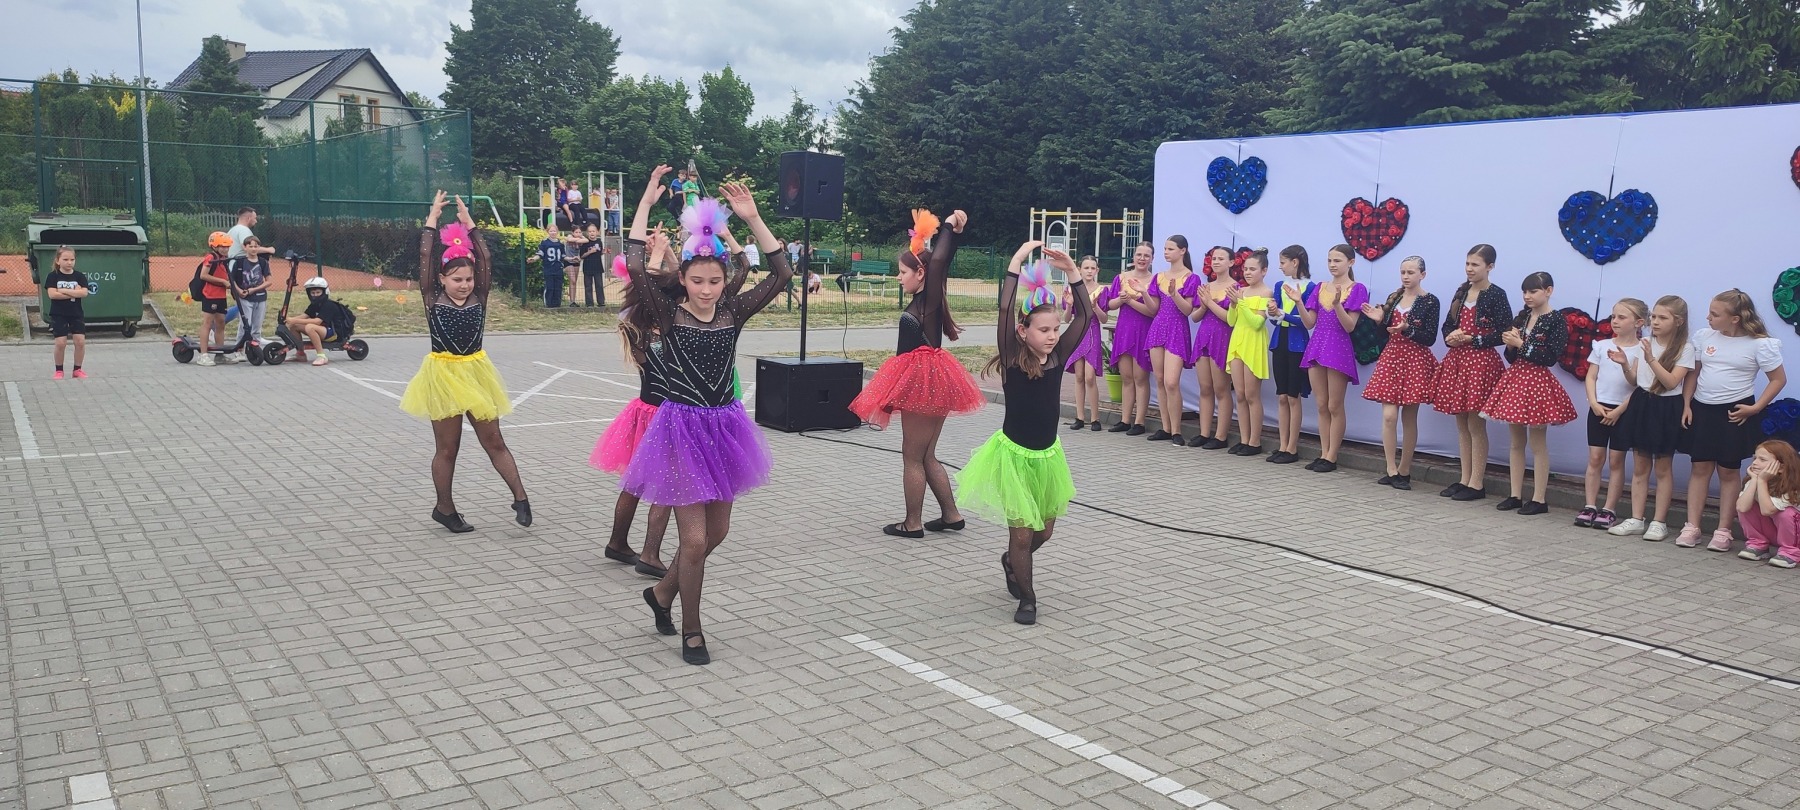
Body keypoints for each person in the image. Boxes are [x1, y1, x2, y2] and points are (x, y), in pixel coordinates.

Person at [632, 170, 791, 666]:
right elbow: (636, 264)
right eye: (697, 281)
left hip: (724, 429)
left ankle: (662, 593)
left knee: (717, 533)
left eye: (714, 281)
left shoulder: (732, 312)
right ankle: (692, 631)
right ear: (682, 279)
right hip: (681, 430)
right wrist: (644, 203)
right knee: (695, 539)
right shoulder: (669, 314)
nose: (706, 290)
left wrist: (753, 219)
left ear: (726, 281)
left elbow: (782, 273)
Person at [956, 242, 1092, 625]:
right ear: (1023, 330)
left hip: (1047, 457)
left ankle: (1012, 561)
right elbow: (1004, 309)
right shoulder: (1013, 359)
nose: (1052, 336)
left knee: (1043, 533)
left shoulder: (1059, 357)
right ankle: (1028, 599)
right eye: (1043, 330)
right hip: (1014, 457)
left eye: (1055, 329)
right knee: (1020, 534)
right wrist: (1015, 262)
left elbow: (1085, 315)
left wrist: (1072, 271)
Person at [849, 208, 985, 538]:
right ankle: (951, 515)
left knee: (912, 456)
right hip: (932, 382)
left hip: (924, 384)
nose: (899, 278)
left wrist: (949, 227)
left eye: (903, 272)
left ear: (921, 274)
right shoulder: (925, 303)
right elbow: (940, 263)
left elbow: (938, 262)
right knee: (926, 455)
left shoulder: (928, 302)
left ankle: (912, 523)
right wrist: (954, 235)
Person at [400, 191, 531, 533]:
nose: (464, 285)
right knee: (448, 448)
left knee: (494, 441)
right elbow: (426, 256)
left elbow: (484, 257)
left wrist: (470, 224)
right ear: (441, 279)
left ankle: (521, 498)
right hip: (442, 374)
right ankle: (444, 508)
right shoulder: (432, 298)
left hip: (475, 372)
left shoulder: (479, 297)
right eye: (457, 279)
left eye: (469, 279)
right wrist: (432, 220)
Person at [593, 225, 678, 577]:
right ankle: (650, 554)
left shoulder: (633, 324)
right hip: (668, 415)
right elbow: (651, 284)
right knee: (668, 484)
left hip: (645, 411)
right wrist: (656, 255)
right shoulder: (663, 327)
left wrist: (665, 251)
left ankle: (617, 543)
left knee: (635, 482)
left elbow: (672, 278)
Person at [1676, 290, 1787, 551]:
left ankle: (1723, 530)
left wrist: (1756, 408)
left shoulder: (1759, 344)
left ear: (1735, 319)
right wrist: (1687, 404)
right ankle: (1692, 527)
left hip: (1735, 412)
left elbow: (1778, 379)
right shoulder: (1705, 337)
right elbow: (1694, 374)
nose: (1708, 317)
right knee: (1700, 467)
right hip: (1702, 409)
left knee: (1728, 471)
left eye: (1715, 314)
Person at [1482, 272, 1575, 516]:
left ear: (1549, 291)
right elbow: (1511, 357)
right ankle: (1515, 494)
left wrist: (1521, 344)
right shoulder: (1522, 317)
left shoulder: (1556, 320)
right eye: (1525, 291)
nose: (1527, 296)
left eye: (1533, 291)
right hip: (1516, 379)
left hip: (1537, 382)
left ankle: (1539, 498)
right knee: (1516, 442)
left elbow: (1550, 357)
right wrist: (1511, 345)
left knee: (1537, 443)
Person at [1431, 245, 1511, 500]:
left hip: (1480, 363)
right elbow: (1447, 324)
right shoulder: (1462, 291)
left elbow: (1504, 332)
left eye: (1475, 264)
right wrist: (1451, 337)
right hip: (1459, 360)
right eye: (1467, 263)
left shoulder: (1496, 294)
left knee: (1475, 424)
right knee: (1462, 423)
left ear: (1490, 266)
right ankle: (1464, 478)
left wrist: (1473, 339)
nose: (1469, 269)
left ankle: (1477, 483)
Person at [1610, 296, 1693, 541]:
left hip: (1666, 407)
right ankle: (1636, 518)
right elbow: (1635, 380)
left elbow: (1670, 382)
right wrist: (1625, 365)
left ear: (1678, 321)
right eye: (1654, 316)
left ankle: (1659, 522)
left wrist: (1651, 359)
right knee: (1640, 466)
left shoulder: (1685, 348)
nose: (1655, 322)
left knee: (1663, 468)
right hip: (1642, 403)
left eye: (1662, 318)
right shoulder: (1646, 343)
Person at [1359, 255, 1439, 488]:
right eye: (1403, 272)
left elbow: (1430, 337)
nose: (1405, 276)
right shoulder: (1394, 298)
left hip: (1415, 358)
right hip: (1393, 357)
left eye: (1411, 272)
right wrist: (1379, 321)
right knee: (1389, 415)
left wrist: (1407, 329)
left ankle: (1404, 469)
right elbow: (1383, 334)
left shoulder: (1430, 301)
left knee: (1409, 416)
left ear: (1422, 275)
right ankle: (1390, 468)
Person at [1578, 299, 1647, 529]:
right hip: (1599, 408)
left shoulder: (1642, 349)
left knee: (1617, 460)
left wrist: (1619, 410)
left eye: (1621, 317)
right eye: (1613, 316)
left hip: (1624, 411)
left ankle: (1609, 509)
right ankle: (1589, 505)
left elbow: (1638, 385)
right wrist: (1594, 403)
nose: (1615, 321)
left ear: (1638, 322)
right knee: (1595, 458)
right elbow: (1591, 376)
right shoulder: (1601, 345)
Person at [1299, 244, 1369, 472]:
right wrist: (1299, 302)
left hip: (1338, 346)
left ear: (1351, 262)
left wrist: (1338, 304)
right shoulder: (1320, 287)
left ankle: (1332, 456)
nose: (1332, 265)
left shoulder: (1357, 289)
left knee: (1334, 404)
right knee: (1321, 404)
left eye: (1337, 260)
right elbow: (1309, 323)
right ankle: (1323, 452)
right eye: (1330, 260)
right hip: (1317, 345)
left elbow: (1349, 326)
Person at [1143, 236, 1201, 444]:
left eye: (1170, 249)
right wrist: (1143, 293)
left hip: (1177, 328)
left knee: (1171, 381)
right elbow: (1154, 309)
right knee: (1159, 379)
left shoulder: (1192, 278)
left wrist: (1175, 294)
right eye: (1165, 249)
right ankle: (1165, 427)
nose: (1166, 252)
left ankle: (1176, 430)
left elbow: (1187, 310)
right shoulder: (1159, 276)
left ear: (1182, 251)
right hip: (1158, 327)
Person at [1098, 242, 1154, 435]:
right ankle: (1125, 419)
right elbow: (1110, 305)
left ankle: (1140, 422)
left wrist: (1130, 300)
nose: (1142, 259)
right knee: (1127, 377)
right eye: (1139, 254)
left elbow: (1152, 311)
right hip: (1124, 330)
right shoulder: (1121, 278)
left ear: (1152, 259)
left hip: (1143, 330)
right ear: (1133, 256)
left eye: (1146, 256)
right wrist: (1121, 300)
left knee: (1140, 377)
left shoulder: (1154, 280)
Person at [1265, 246, 1314, 464]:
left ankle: (1292, 448)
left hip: (1298, 343)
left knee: (1293, 396)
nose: (1280, 266)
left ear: (1295, 262)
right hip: (1280, 340)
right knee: (1282, 395)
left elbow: (1306, 321)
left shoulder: (1311, 287)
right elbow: (1275, 318)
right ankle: (1282, 445)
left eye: (1283, 262)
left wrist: (1283, 314)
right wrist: (1272, 313)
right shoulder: (1279, 285)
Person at [1225, 248, 1274, 455]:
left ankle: (1255, 441)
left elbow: (1257, 323)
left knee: (1252, 395)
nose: (1247, 273)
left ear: (1264, 271)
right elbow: (1231, 321)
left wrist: (1241, 303)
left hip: (1253, 343)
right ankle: (1244, 439)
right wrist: (1233, 304)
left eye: (1252, 269)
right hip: (1238, 342)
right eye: (1245, 269)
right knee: (1240, 394)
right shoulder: (1241, 291)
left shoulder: (1266, 292)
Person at [1190, 247, 1236, 449]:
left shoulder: (1236, 288)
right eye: (1214, 258)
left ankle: (1221, 435)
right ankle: (1204, 432)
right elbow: (1195, 317)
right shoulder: (1206, 286)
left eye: (1221, 259)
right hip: (1204, 338)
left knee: (1221, 389)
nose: (1216, 262)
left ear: (1231, 262)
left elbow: (1230, 319)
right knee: (1205, 387)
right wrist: (1203, 305)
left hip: (1222, 339)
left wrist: (1209, 302)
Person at [1737, 440, 1800, 568]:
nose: (1755, 463)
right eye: (1755, 458)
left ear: (1781, 467)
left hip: (1795, 537)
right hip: (1777, 534)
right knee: (1748, 504)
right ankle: (1758, 544)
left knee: (1787, 513)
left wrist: (1762, 481)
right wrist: (1754, 480)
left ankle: (1790, 552)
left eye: (1762, 459)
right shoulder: (1755, 479)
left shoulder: (1792, 485)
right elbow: (1742, 508)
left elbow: (1767, 510)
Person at [1064, 255, 1107, 431]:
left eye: (1092, 268)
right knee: (1079, 376)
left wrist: (1096, 307)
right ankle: (1079, 417)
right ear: (1079, 269)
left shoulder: (1101, 290)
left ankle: (1095, 418)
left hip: (1093, 332)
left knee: (1090, 376)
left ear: (1097, 270)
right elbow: (1066, 319)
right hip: (1078, 333)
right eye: (1086, 268)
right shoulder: (1072, 289)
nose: (1089, 271)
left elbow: (1104, 319)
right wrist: (1069, 305)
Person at [42, 246, 89, 379]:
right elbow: (52, 295)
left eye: (72, 260)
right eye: (65, 259)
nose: (69, 262)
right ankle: (59, 370)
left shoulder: (79, 276)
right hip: (59, 314)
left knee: (80, 342)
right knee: (60, 343)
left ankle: (77, 370)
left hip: (76, 313)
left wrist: (63, 291)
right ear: (58, 261)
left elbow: (84, 293)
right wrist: (74, 292)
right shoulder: (53, 276)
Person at [286, 277, 352, 366]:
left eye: (318, 292)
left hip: (334, 333)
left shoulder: (329, 305)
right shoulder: (315, 305)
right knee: (295, 326)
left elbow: (317, 322)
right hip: (323, 330)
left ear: (324, 292)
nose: (315, 295)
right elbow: (305, 316)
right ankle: (300, 354)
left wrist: (294, 320)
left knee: (310, 327)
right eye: (313, 293)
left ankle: (322, 356)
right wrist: (289, 320)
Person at [195, 231, 235, 366]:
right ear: (214, 246)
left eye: (227, 246)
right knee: (207, 323)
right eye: (222, 246)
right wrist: (222, 282)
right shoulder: (210, 257)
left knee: (221, 323)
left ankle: (220, 354)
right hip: (210, 295)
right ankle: (203, 355)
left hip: (221, 296)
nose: (225, 249)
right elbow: (203, 275)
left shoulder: (224, 259)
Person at [230, 236, 274, 350]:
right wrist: (239, 291)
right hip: (245, 299)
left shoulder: (263, 262)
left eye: (256, 246)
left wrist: (254, 289)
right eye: (250, 246)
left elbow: (269, 281)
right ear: (245, 247)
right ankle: (239, 349)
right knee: (245, 325)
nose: (253, 249)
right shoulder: (239, 263)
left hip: (260, 298)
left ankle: (255, 348)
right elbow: (232, 280)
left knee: (257, 326)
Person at [529, 225, 566, 308]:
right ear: (548, 232)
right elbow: (540, 253)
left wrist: (572, 259)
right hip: (548, 268)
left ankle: (557, 305)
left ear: (557, 232)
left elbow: (563, 256)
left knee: (558, 287)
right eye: (551, 231)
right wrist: (534, 259)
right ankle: (548, 305)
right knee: (550, 286)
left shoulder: (560, 243)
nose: (553, 233)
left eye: (554, 231)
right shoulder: (544, 243)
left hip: (558, 268)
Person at [580, 223, 608, 307]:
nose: (592, 233)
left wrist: (603, 252)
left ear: (597, 232)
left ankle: (601, 302)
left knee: (599, 285)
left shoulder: (599, 242)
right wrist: (589, 252)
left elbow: (599, 253)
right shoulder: (585, 242)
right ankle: (589, 303)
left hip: (597, 267)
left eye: (593, 231)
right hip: (587, 267)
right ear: (587, 233)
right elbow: (582, 256)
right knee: (588, 286)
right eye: (590, 231)